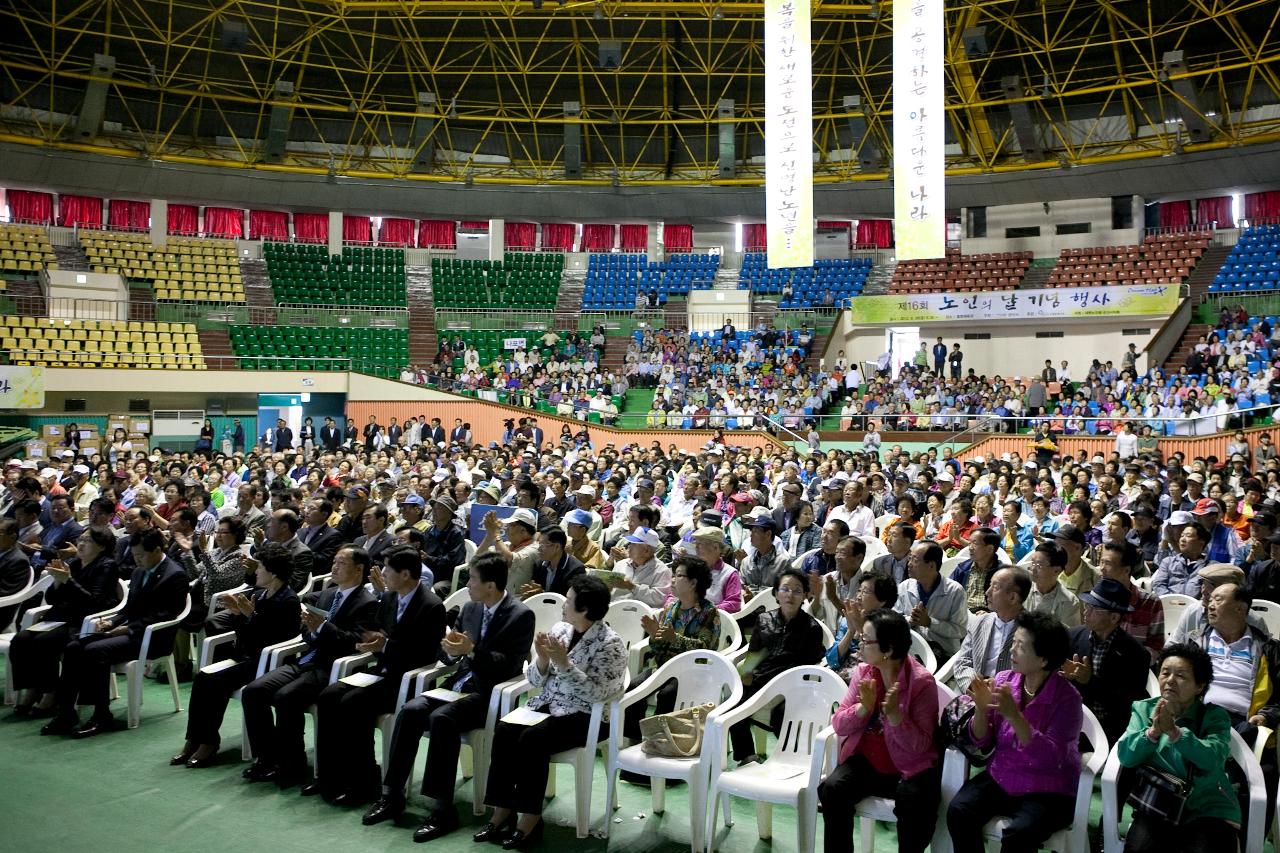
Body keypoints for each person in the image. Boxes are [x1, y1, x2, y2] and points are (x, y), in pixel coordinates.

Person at [363, 552, 536, 839]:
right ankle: (391, 794)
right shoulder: (470, 608)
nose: (468, 584)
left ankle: (443, 809)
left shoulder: (520, 615)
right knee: (411, 709)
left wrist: (471, 651)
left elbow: (509, 665)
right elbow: (447, 652)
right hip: (458, 685)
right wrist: (448, 648)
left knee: (442, 718)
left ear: (491, 585)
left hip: (488, 693)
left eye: (473, 579)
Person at [471, 575, 627, 848]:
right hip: (551, 706)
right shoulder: (561, 629)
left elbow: (598, 695)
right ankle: (502, 810)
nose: (563, 606)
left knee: (533, 739)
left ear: (586, 610)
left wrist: (565, 664)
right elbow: (534, 680)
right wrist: (542, 661)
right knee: (506, 730)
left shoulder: (610, 644)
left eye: (568, 601)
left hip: (587, 716)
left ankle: (530, 818)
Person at [306, 546, 446, 806]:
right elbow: (378, 629)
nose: (382, 574)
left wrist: (384, 646)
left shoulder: (431, 605)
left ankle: (365, 781)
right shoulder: (391, 598)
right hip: (381, 671)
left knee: (353, 702)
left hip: (407, 680)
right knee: (329, 695)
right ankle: (329, 774)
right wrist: (371, 641)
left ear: (405, 574)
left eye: (387, 568)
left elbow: (425, 653)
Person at [240, 545, 380, 787]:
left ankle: (292, 764)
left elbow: (354, 643)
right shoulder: (326, 594)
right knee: (254, 691)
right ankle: (267, 758)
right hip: (306, 660)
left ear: (359, 569)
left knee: (286, 697)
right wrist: (313, 630)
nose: (334, 566)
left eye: (342, 563)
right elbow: (305, 632)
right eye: (334, 561)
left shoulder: (367, 603)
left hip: (332, 666)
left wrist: (323, 628)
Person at [946, 611, 1083, 853]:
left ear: (1043, 659)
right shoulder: (1003, 680)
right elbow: (982, 740)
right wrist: (980, 708)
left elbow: (1052, 758)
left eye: (1021, 646)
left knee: (1019, 834)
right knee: (959, 810)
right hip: (1003, 775)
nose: (1011, 650)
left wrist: (1014, 716)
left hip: (1048, 788)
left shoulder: (1068, 699)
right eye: (1013, 642)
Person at [41, 527, 188, 737]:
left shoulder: (175, 575)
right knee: (73, 647)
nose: (136, 560)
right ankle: (66, 713)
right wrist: (111, 624)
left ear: (156, 550)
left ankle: (102, 715)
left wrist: (127, 628)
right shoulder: (139, 572)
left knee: (95, 651)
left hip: (152, 638)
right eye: (134, 555)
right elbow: (129, 609)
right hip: (129, 632)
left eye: (140, 555)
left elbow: (166, 615)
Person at [818, 608, 942, 853]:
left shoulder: (921, 682)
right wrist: (863, 708)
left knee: (915, 802)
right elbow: (839, 723)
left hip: (908, 767)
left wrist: (895, 717)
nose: (860, 646)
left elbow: (922, 745)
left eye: (866, 640)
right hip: (868, 761)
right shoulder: (864, 672)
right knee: (833, 789)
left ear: (888, 650)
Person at [171, 542, 301, 768]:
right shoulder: (260, 594)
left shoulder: (288, 600)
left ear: (273, 572)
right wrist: (238, 615)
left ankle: (209, 743)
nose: (256, 571)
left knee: (215, 681)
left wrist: (251, 616)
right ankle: (194, 739)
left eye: (260, 567)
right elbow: (246, 634)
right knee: (203, 677)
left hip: (269, 663)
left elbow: (274, 641)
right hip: (248, 656)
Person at [1115, 643, 1240, 853]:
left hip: (1206, 807)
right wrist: (1153, 732)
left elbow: (1211, 759)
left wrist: (1175, 733)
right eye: (1165, 672)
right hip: (1159, 804)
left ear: (1200, 686)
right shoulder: (1143, 708)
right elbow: (1127, 756)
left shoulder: (1214, 717)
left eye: (1181, 675)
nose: (1170, 680)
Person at [9, 525, 119, 717]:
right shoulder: (75, 563)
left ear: (102, 546)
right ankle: (33, 689)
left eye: (88, 541)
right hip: (58, 618)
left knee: (44, 642)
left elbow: (94, 602)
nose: (81, 544)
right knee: (20, 640)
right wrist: (58, 582)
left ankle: (51, 693)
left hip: (81, 622)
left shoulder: (107, 566)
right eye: (81, 540)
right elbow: (52, 599)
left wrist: (68, 581)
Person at [728, 568, 827, 764]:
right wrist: (746, 672)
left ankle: (790, 760)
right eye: (785, 589)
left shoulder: (812, 628)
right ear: (775, 593)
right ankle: (748, 757)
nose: (790, 595)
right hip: (760, 681)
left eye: (797, 590)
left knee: (782, 714)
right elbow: (753, 654)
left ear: (806, 596)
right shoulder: (763, 619)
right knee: (732, 704)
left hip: (791, 686)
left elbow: (809, 668)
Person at [1061, 578, 1151, 745]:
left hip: (1109, 731)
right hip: (1070, 720)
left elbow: (1126, 706)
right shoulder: (1072, 637)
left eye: (1094, 609)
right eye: (1086, 605)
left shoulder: (1136, 654)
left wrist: (1090, 681)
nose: (1085, 612)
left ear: (1114, 617)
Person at [951, 567, 1032, 693]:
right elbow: (963, 662)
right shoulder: (979, 622)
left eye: (995, 587)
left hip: (1011, 701)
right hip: (975, 694)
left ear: (1013, 597)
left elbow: (1034, 675)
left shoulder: (1032, 630)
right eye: (990, 585)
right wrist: (975, 686)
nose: (987, 592)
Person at [895, 540, 968, 660]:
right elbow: (894, 619)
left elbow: (960, 631)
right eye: (910, 558)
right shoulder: (905, 586)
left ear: (931, 565)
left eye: (915, 560)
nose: (909, 564)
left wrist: (929, 622)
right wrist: (910, 620)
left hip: (944, 652)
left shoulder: (955, 591)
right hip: (910, 649)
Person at [826, 570, 898, 683]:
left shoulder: (891, 626)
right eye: (859, 590)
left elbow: (883, 665)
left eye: (865, 592)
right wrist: (850, 631)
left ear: (882, 600)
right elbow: (831, 660)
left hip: (870, 682)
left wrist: (860, 630)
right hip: (840, 677)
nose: (859, 596)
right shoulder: (849, 620)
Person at [1025, 541, 1082, 628]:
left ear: (1056, 570)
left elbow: (1068, 636)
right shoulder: (1023, 590)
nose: (1033, 569)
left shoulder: (1070, 602)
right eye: (1032, 563)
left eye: (1038, 565)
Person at [521, 525, 586, 598]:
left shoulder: (575, 570)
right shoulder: (538, 565)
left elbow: (570, 599)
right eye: (539, 544)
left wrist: (542, 594)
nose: (539, 549)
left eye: (542, 545)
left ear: (557, 547)